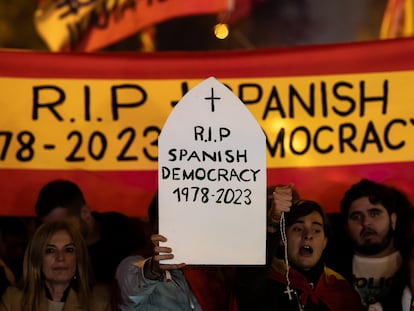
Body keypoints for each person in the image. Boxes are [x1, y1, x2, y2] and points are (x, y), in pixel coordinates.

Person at [115, 192, 239, 311]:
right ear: (155, 226)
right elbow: (130, 287)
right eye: (171, 220)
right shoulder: (134, 263)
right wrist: (153, 268)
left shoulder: (214, 270)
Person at [262, 193, 364, 310]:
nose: (308, 235)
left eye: (316, 230)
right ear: (282, 238)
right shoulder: (264, 280)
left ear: (324, 242)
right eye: (298, 229)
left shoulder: (341, 289)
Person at [34, 179, 146, 284]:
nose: (56, 235)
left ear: (85, 213)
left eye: (63, 226)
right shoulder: (46, 251)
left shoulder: (123, 231)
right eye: (49, 229)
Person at [335, 178, 412, 311]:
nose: (366, 222)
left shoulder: (410, 262)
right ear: (346, 226)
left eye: (374, 213)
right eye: (356, 216)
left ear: (393, 220)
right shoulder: (331, 270)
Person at [0, 220, 111, 311]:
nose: (60, 258)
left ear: (79, 258)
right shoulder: (13, 299)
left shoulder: (99, 301)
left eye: (69, 250)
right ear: (37, 258)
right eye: (50, 250)